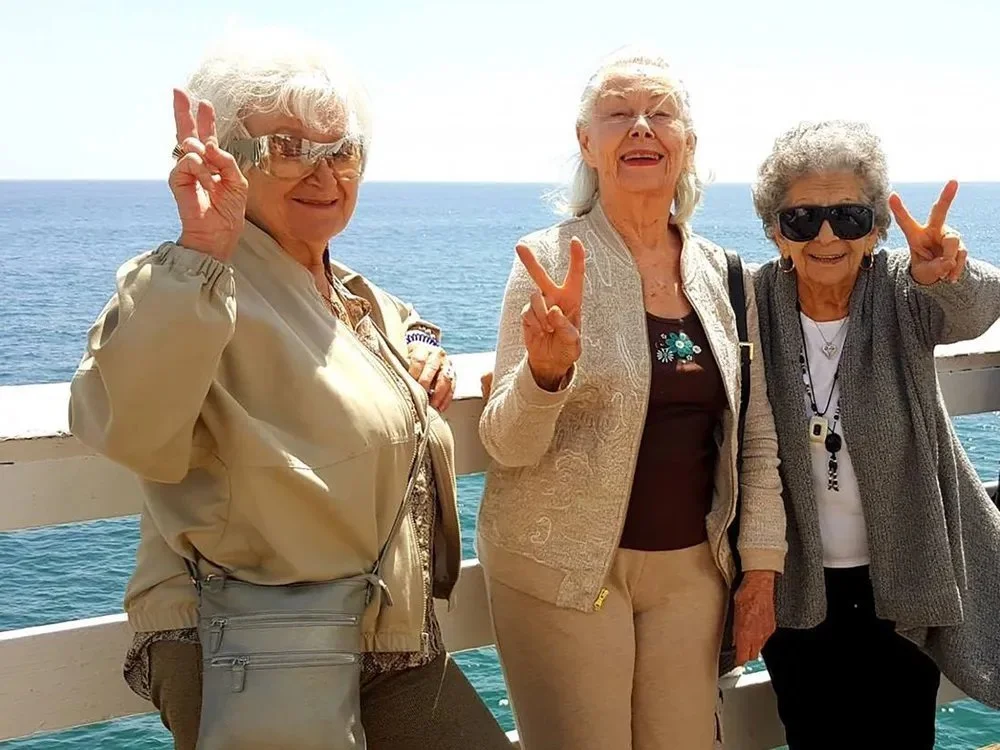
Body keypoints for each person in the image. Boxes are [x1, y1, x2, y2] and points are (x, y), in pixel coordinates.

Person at [68, 32, 510, 750]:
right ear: (233, 161)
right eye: (287, 147)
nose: (323, 171)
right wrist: (200, 251)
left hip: (380, 634)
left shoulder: (336, 288)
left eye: (342, 149)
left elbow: (398, 318)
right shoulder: (193, 280)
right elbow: (124, 425)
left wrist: (425, 345)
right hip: (247, 642)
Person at [476, 48, 787, 750]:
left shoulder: (726, 274)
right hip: (561, 569)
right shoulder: (545, 261)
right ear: (587, 143)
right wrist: (545, 376)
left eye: (661, 112)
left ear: (688, 143)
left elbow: (757, 434)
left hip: (691, 575)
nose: (641, 126)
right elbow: (507, 443)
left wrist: (762, 567)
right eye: (617, 113)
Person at [751, 120, 1000, 749]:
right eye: (804, 219)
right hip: (801, 585)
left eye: (849, 217)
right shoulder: (754, 299)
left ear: (877, 231)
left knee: (901, 735)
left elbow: (974, 310)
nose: (827, 235)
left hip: (902, 580)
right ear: (777, 231)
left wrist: (947, 273)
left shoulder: (899, 287)